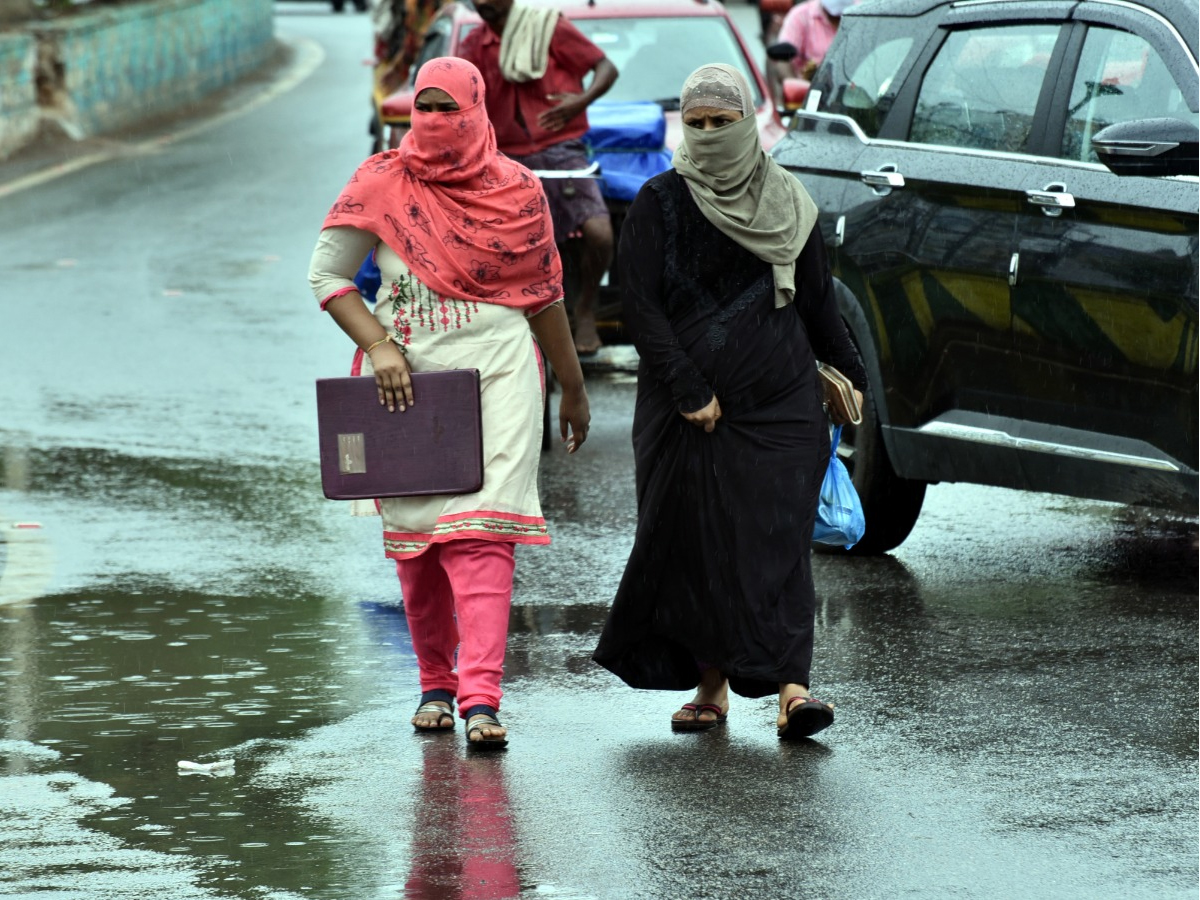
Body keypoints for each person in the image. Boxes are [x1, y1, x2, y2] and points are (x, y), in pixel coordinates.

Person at [308, 57, 590, 750]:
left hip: (499, 369)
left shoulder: (518, 190)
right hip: (406, 377)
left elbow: (545, 297)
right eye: (421, 107)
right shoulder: (381, 182)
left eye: (446, 108)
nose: (431, 121)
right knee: (419, 546)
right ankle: (434, 682)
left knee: (480, 535)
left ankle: (482, 698)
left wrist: (574, 385)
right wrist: (377, 346)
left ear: (475, 109)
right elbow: (328, 273)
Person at [591, 64, 866, 740]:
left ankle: (793, 691)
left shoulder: (787, 200)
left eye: (724, 121)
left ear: (748, 121)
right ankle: (710, 688)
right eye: (698, 123)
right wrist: (689, 388)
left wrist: (854, 376)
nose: (712, 135)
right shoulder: (659, 201)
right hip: (683, 411)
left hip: (779, 404)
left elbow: (818, 305)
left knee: (777, 540)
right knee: (696, 545)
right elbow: (642, 307)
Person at [458, 0, 619, 356]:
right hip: (504, 158)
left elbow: (606, 67)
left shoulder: (548, 27)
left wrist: (580, 101)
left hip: (562, 149)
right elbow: (459, 102)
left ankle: (586, 308)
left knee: (600, 234)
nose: (483, 3)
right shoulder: (472, 47)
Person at [769, 0, 856, 100]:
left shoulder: (865, 14)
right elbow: (782, 61)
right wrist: (797, 90)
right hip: (812, 99)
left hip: (854, 99)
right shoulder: (800, 16)